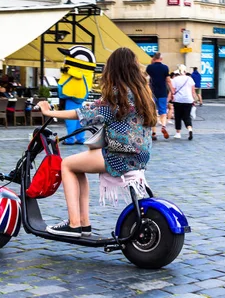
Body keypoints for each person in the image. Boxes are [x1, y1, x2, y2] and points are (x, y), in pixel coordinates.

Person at [35, 47, 156, 237]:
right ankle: (84, 223)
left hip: (118, 154)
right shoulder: (143, 92)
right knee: (78, 166)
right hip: (141, 155)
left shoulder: (118, 94)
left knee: (66, 164)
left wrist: (49, 112)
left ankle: (75, 224)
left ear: (113, 68)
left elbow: (83, 113)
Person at [146, 52, 173, 141]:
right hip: (162, 93)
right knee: (163, 112)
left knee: (153, 112)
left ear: (154, 58)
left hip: (152, 93)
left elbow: (145, 78)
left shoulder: (149, 67)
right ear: (161, 59)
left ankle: (153, 133)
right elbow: (168, 80)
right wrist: (172, 91)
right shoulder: (165, 67)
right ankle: (163, 126)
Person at [170, 65, 196, 140]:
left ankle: (178, 133)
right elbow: (193, 91)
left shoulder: (175, 79)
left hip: (178, 100)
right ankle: (190, 129)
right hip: (188, 100)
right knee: (187, 116)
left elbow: (173, 90)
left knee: (177, 116)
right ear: (185, 71)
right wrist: (193, 99)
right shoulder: (190, 79)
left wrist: (171, 97)